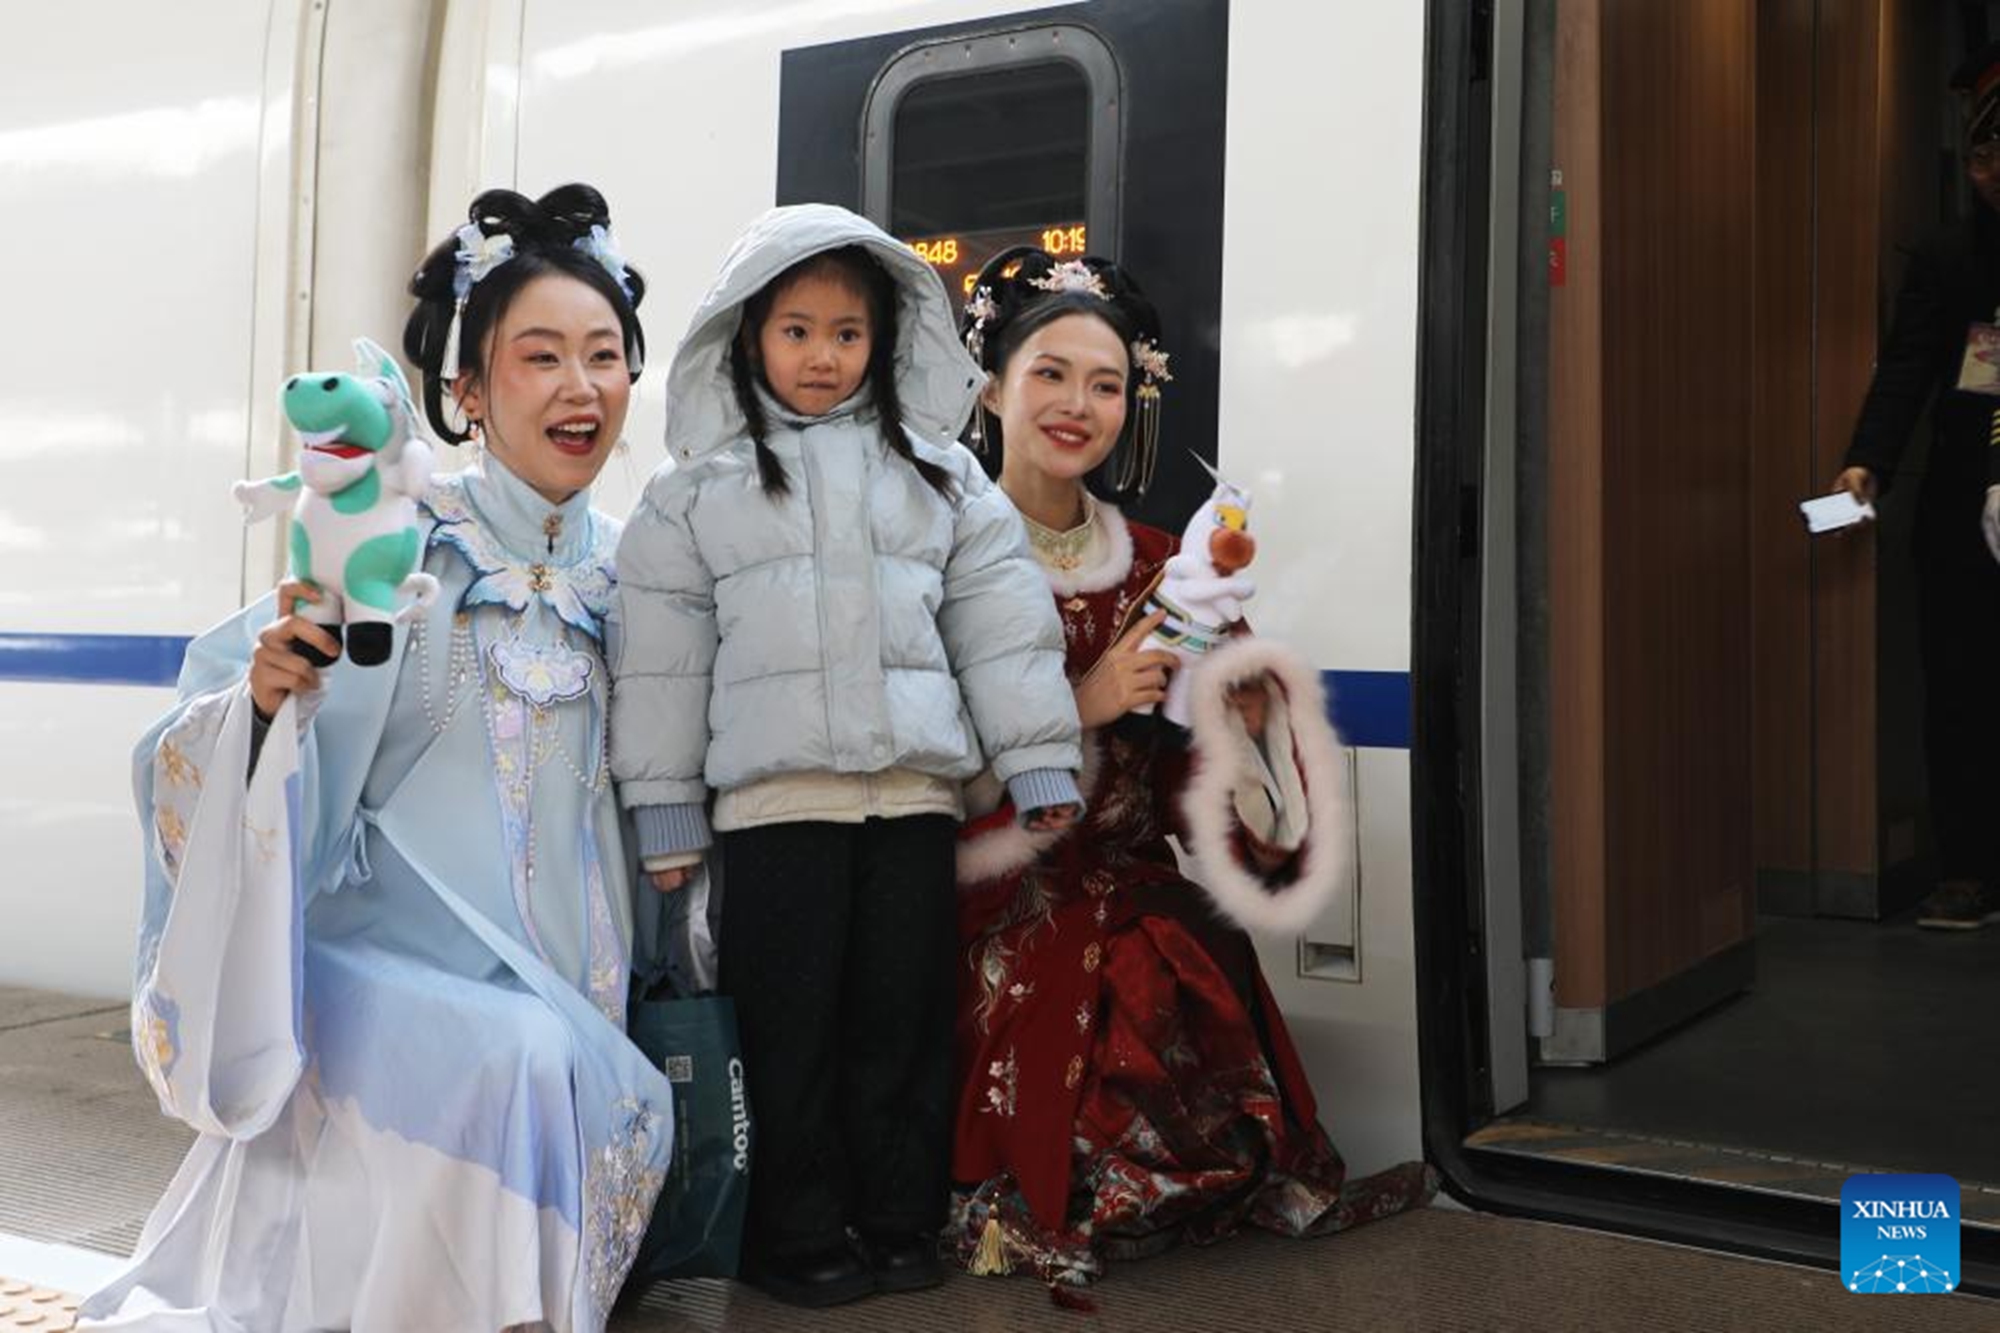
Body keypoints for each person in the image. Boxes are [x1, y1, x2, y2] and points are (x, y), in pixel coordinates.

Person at [82, 185, 671, 1333]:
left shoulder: (641, 568)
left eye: (604, 356)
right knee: (518, 1053)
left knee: (551, 1048)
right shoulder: (398, 543)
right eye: (540, 356)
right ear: (469, 390)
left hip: (579, 982)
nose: (581, 387)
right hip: (393, 961)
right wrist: (265, 706)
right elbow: (212, 739)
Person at [607, 204, 1084, 1307]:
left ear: (885, 340)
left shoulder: (940, 477)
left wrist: (1038, 760)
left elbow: (1001, 625)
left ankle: (899, 1218)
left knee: (901, 1023)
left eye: (846, 333)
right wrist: (666, 810)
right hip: (774, 812)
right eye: (796, 330)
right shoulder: (694, 495)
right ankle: (798, 1230)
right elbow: (662, 665)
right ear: (746, 335)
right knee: (791, 1031)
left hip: (911, 801)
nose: (822, 355)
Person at [945, 247, 1436, 1296]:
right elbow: (916, 764)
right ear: (989, 387)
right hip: (989, 884)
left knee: (1172, 940)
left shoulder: (1166, 559)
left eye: (1106, 383)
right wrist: (1079, 706)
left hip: (1131, 879)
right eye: (1048, 373)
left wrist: (1238, 718)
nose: (1077, 405)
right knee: (1122, 956)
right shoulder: (938, 555)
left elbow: (1198, 782)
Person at [1836, 41, 2000, 930]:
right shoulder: (1946, 256)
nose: (1990, 175)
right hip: (1963, 501)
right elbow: (1906, 371)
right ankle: (1968, 867)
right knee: (1961, 686)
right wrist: (1869, 459)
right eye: (1981, 159)